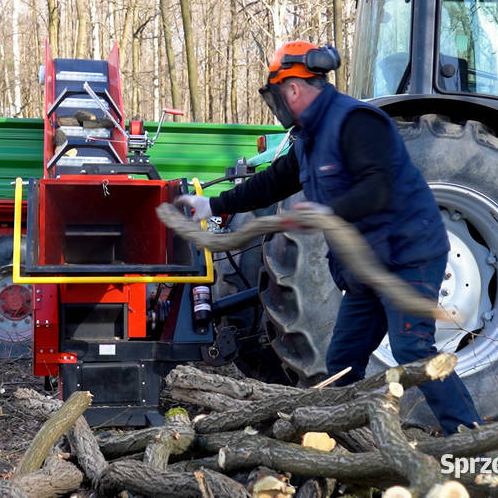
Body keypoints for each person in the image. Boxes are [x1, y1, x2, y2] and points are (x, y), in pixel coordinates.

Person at [175, 40, 481, 435]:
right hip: (362, 269)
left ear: (295, 89)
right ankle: (360, 441)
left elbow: (379, 188)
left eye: (278, 96)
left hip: (408, 257)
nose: (279, 105)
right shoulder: (309, 138)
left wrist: (326, 212)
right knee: (343, 363)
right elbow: (271, 183)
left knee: (412, 351)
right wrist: (212, 206)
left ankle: (470, 436)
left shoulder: (358, 122)